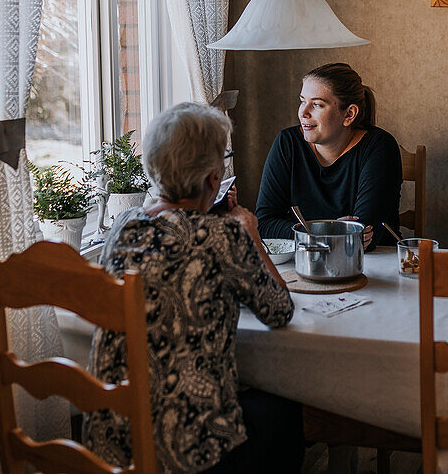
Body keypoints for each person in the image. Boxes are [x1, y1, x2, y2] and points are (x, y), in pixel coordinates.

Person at [84, 103, 303, 474]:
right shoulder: (224, 236)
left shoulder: (125, 226)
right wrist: (250, 235)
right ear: (215, 178)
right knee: (284, 408)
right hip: (186, 453)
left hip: (115, 442)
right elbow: (280, 310)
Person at [256, 63, 402, 251]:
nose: (303, 112)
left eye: (317, 104)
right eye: (302, 101)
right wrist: (328, 233)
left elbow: (363, 239)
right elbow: (264, 225)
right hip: (307, 262)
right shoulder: (288, 142)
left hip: (376, 266)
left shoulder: (379, 147)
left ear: (349, 114)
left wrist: (305, 233)